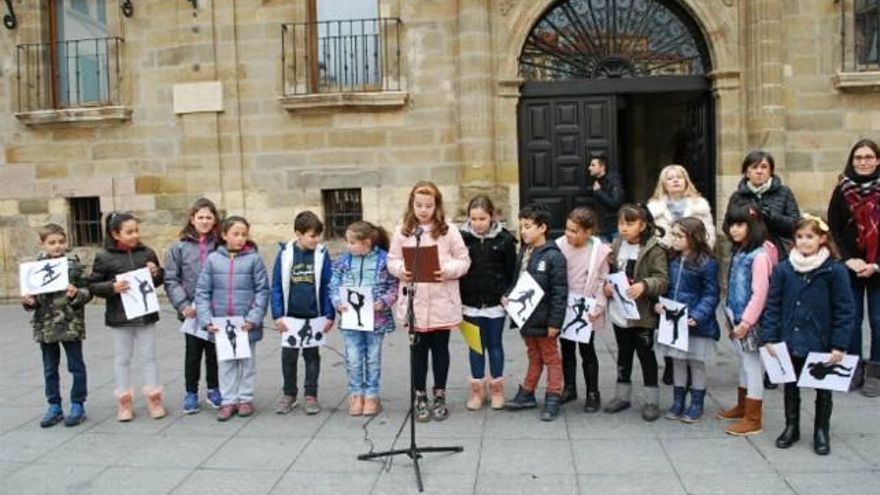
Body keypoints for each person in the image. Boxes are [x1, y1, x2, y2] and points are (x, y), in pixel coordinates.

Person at [762, 215, 855, 455]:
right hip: (789, 338)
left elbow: (845, 309)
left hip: (820, 339)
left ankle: (821, 430)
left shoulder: (835, 270)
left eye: (810, 237)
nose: (804, 242)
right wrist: (770, 337)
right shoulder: (784, 269)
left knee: (823, 389)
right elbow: (772, 304)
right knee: (790, 386)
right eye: (800, 237)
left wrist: (839, 344)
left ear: (822, 239)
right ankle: (791, 426)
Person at [387, 181, 471, 422]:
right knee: (418, 352)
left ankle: (440, 393)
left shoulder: (448, 231)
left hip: (441, 301)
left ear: (437, 206)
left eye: (428, 206)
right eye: (418, 205)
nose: (423, 210)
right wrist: (401, 270)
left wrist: (446, 270)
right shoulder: (403, 231)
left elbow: (464, 260)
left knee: (440, 350)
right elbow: (392, 260)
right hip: (415, 303)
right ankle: (420, 394)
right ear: (411, 205)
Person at [88, 213, 165, 421]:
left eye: (136, 231)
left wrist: (156, 272)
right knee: (123, 358)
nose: (134, 235)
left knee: (149, 356)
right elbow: (93, 285)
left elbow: (158, 280)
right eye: (129, 232)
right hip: (120, 315)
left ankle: (154, 397)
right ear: (115, 234)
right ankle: (124, 400)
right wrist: (111, 287)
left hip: (145, 313)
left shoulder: (147, 252)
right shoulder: (104, 257)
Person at [647, 164, 717, 385]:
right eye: (670, 178)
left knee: (689, 304)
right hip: (666, 257)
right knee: (669, 308)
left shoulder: (699, 206)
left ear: (687, 181)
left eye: (679, 177)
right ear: (663, 183)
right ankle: (671, 363)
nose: (675, 180)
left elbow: (709, 233)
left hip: (692, 258)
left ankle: (690, 366)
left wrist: (697, 250)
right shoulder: (654, 208)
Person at [196, 216, 269, 421]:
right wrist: (206, 320)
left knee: (247, 362)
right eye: (236, 234)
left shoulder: (254, 259)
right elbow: (202, 291)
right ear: (224, 235)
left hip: (245, 324)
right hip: (222, 323)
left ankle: (245, 398)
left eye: (244, 234)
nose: (240, 238)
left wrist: (253, 319)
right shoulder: (213, 260)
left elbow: (262, 290)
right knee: (226, 363)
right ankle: (228, 400)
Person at [602, 204, 669, 421]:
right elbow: (609, 272)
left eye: (629, 223)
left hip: (642, 313)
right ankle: (622, 395)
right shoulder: (618, 244)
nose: (623, 228)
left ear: (642, 225)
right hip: (620, 311)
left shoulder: (653, 249)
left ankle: (651, 400)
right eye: (621, 223)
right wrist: (607, 287)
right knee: (623, 352)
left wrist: (644, 285)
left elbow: (662, 280)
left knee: (646, 355)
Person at [718, 204, 779, 436]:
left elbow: (760, 293)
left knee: (753, 366)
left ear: (753, 226)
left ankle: (754, 417)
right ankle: (743, 405)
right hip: (737, 315)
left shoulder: (760, 256)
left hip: (751, 321)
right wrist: (730, 316)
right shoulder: (740, 250)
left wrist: (746, 323)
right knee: (743, 362)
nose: (734, 229)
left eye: (740, 224)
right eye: (731, 224)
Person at [503, 204, 568, 421]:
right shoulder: (524, 252)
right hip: (526, 316)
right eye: (522, 227)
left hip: (545, 318)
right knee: (533, 355)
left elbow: (560, 293)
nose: (523, 231)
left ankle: (553, 395)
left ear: (543, 228)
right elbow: (517, 281)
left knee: (551, 357)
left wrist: (554, 323)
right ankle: (527, 392)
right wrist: (509, 296)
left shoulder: (554, 257)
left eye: (528, 227)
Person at [22, 224, 91, 427]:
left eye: (61, 242)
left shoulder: (74, 266)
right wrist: (29, 302)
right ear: (42, 244)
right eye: (52, 243)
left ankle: (78, 404)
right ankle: (54, 405)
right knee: (50, 368)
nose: (57, 246)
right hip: (46, 326)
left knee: (75, 366)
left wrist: (76, 294)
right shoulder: (34, 269)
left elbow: (88, 292)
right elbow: (32, 300)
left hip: (70, 324)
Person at [329, 221, 399, 416]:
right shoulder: (343, 261)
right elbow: (333, 284)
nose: (348, 246)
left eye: (352, 242)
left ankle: (371, 395)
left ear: (366, 242)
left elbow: (394, 286)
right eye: (348, 242)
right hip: (351, 320)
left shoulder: (384, 261)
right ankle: (356, 394)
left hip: (376, 320)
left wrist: (384, 302)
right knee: (353, 358)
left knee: (372, 358)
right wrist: (337, 301)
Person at [654, 218, 720, 423]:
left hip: (695, 321)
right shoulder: (671, 259)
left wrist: (698, 316)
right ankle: (678, 400)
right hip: (674, 319)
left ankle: (697, 403)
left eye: (679, 235)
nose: (674, 239)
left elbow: (711, 294)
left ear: (694, 237)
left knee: (696, 362)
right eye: (672, 234)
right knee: (678, 362)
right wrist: (659, 305)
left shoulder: (707, 263)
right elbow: (665, 285)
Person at [828, 138, 880, 396]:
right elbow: (834, 227)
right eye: (858, 158)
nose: (863, 162)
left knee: (879, 319)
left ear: (877, 160)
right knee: (852, 318)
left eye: (869, 157)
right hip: (851, 264)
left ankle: (876, 371)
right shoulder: (842, 190)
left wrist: (875, 264)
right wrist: (849, 259)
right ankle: (854, 366)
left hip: (878, 266)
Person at [271, 211, 335, 416]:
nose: (316, 240)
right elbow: (276, 287)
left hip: (314, 316)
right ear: (298, 234)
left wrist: (329, 315)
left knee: (312, 357)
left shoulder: (322, 255)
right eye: (311, 235)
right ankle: (289, 393)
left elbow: (328, 286)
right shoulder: (285, 255)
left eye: (318, 236)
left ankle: (311, 394)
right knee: (288, 357)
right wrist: (277, 314)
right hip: (291, 317)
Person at [163, 198, 221, 414]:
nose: (204, 221)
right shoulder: (179, 247)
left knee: (214, 351)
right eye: (200, 217)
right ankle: (191, 392)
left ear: (215, 220)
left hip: (216, 308)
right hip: (191, 310)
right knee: (193, 352)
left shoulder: (220, 245)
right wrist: (182, 305)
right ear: (192, 219)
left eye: (208, 217)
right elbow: (171, 278)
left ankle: (214, 389)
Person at [459, 196, 517, 411]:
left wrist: (508, 294)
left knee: (494, 346)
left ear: (492, 216)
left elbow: (513, 271)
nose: (478, 223)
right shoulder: (461, 239)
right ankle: (477, 390)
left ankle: (497, 389)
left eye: (482, 218)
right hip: (469, 303)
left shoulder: (504, 240)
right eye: (473, 218)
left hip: (495, 304)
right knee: (475, 348)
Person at [556, 207, 610, 412]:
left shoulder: (599, 251)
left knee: (587, 351)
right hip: (565, 306)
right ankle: (569, 387)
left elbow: (602, 280)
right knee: (567, 349)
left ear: (588, 232)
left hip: (587, 308)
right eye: (567, 229)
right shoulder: (559, 246)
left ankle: (593, 392)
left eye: (575, 231)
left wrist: (599, 306)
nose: (569, 234)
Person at [725, 150, 799, 257]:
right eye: (754, 167)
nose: (759, 171)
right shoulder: (737, 196)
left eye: (764, 167)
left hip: (779, 253)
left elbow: (795, 224)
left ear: (771, 171)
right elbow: (727, 225)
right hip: (746, 253)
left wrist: (772, 218)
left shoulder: (784, 192)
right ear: (747, 172)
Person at [585, 153, 626, 243]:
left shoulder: (614, 181)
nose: (589, 168)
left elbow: (616, 203)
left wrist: (599, 192)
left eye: (593, 165)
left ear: (602, 167)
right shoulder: (596, 182)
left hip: (613, 229)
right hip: (601, 229)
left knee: (616, 255)